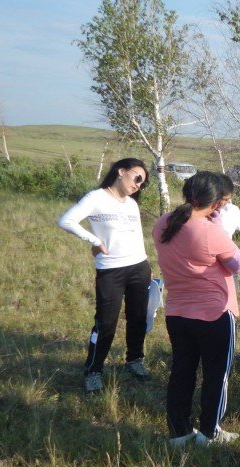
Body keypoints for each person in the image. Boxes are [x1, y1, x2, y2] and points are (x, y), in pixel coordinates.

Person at [152, 171, 240, 447]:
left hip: (177, 311)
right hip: (213, 313)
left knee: (182, 371)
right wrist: (215, 224)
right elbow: (238, 264)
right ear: (216, 203)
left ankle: (180, 432)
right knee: (217, 374)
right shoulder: (209, 232)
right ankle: (209, 432)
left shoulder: (162, 224)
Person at [57, 157, 152, 393]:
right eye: (137, 177)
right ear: (121, 171)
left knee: (138, 317)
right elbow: (66, 220)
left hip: (139, 267)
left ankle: (135, 359)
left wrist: (146, 268)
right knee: (105, 322)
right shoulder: (96, 198)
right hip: (111, 270)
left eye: (143, 183)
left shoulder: (131, 203)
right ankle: (93, 370)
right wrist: (95, 241)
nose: (138, 184)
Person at [213, 174, 240, 256]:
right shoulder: (199, 210)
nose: (222, 202)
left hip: (224, 261)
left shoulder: (232, 211)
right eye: (219, 198)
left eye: (226, 199)